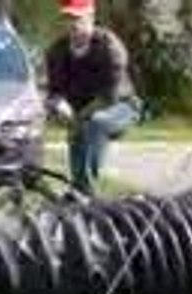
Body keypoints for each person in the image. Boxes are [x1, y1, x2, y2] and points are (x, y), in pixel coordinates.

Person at [45, 0, 139, 193]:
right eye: (68, 18)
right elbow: (54, 93)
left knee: (95, 123)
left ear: (91, 18)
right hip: (81, 112)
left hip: (121, 107)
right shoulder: (57, 51)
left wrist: (76, 120)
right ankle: (77, 192)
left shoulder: (110, 48)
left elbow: (108, 98)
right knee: (79, 130)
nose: (72, 24)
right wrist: (57, 105)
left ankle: (85, 192)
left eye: (78, 18)